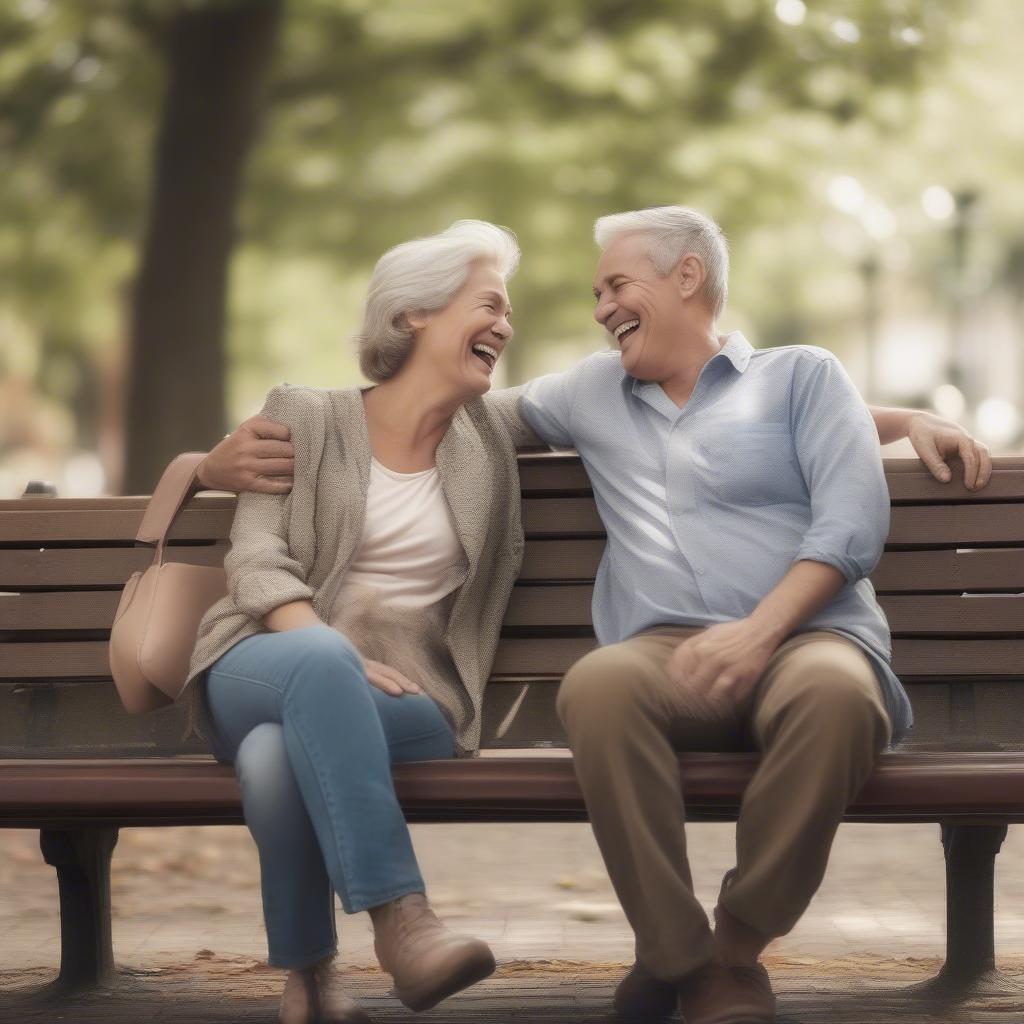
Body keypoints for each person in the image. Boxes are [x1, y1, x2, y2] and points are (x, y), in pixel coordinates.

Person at [202, 208, 992, 1024]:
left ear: (686, 277)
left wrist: (907, 422)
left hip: (789, 638)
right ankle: (438, 929)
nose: (596, 308)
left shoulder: (788, 380)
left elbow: (841, 496)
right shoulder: (568, 393)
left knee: (272, 760)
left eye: (616, 285)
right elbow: (309, 509)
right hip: (605, 653)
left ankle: (719, 952)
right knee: (573, 685)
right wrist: (202, 465)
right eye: (497, 304)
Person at [185, 220, 529, 1024]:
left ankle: (308, 976)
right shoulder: (305, 414)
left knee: (274, 757)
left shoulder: (494, 434)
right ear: (415, 314)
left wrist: (877, 416)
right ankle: (403, 922)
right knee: (315, 671)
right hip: (261, 660)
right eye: (488, 303)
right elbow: (256, 558)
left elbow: (644, 389)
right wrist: (327, 647)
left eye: (507, 312)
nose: (505, 325)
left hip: (409, 694)